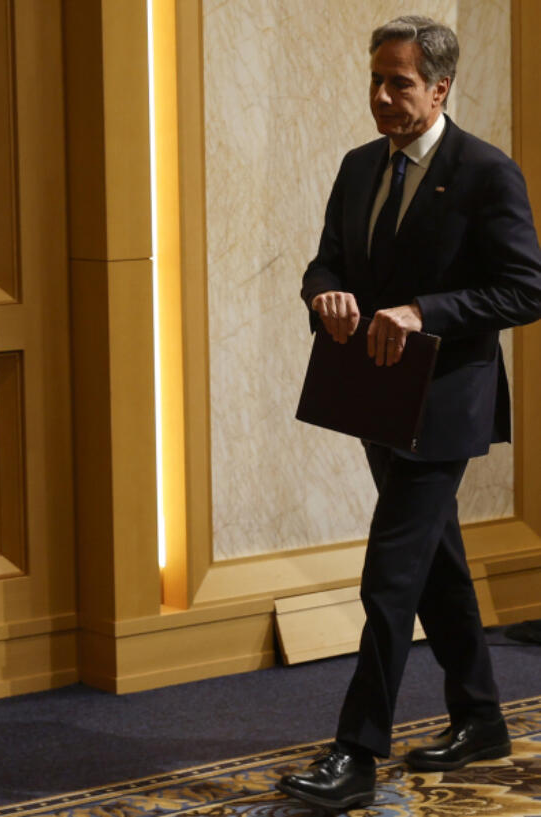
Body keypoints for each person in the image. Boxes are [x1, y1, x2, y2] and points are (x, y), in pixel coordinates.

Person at [276, 15, 541, 812]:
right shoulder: (360, 167)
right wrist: (324, 289)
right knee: (437, 559)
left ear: (440, 88)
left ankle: (356, 753)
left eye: (400, 83)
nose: (383, 96)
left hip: (447, 403)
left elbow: (525, 288)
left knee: (390, 575)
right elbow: (327, 258)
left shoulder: (488, 172)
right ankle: (481, 716)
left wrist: (424, 310)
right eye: (376, 80)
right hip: (374, 394)